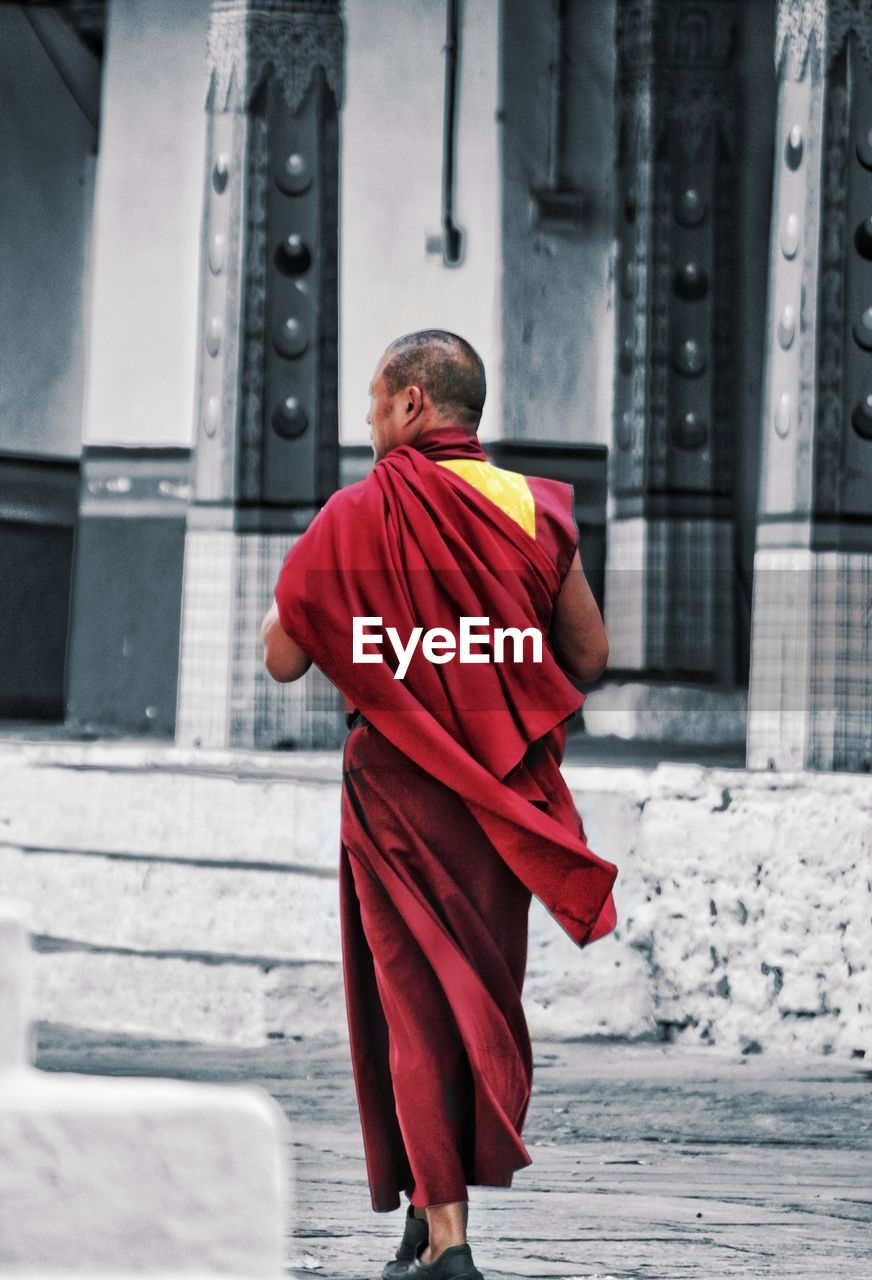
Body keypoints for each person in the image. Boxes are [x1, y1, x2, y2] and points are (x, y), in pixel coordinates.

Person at [261, 330, 617, 1280]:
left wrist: (320, 579)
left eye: (376, 406)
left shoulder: (358, 512)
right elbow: (589, 658)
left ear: (414, 404)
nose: (370, 425)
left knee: (417, 1010)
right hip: (502, 808)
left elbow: (282, 656)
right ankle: (426, 1214)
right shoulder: (534, 510)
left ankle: (449, 1240)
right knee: (474, 998)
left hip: (400, 799)